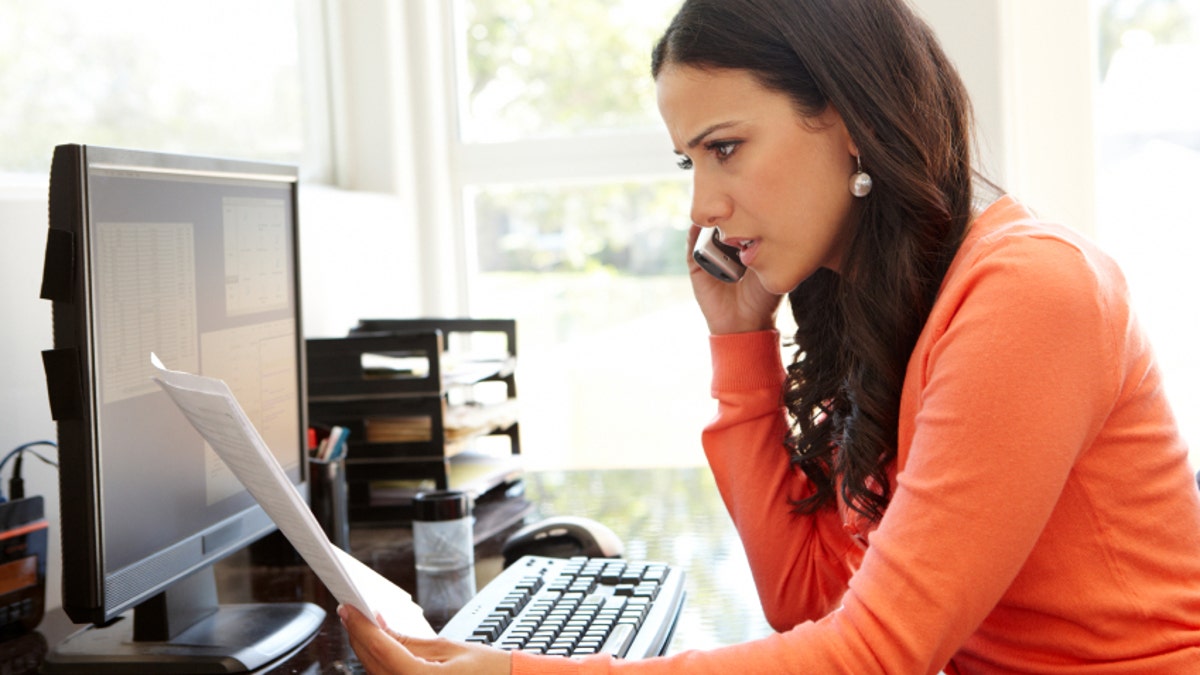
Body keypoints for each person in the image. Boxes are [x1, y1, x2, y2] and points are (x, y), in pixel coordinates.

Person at [340, 0, 1200, 672]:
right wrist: (740, 342)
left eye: (726, 148)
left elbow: (874, 655)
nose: (701, 208)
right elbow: (810, 597)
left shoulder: (1028, 293)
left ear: (852, 118)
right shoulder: (871, 300)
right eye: (690, 161)